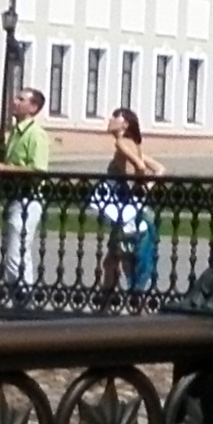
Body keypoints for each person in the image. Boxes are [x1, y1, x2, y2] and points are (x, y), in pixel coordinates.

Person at [89, 106, 161, 299]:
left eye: (115, 117)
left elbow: (140, 166)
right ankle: (114, 301)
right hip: (133, 209)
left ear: (125, 124)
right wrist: (143, 190)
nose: (110, 119)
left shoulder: (122, 143)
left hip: (127, 212)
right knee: (119, 258)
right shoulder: (133, 144)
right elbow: (160, 169)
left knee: (118, 258)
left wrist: (138, 186)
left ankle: (116, 301)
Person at [0, 87, 52, 291]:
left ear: (33, 107)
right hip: (16, 197)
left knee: (16, 250)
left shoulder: (36, 134)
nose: (15, 101)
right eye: (16, 97)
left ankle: (23, 293)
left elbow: (39, 170)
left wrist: (4, 169)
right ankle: (20, 293)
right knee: (16, 249)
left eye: (21, 99)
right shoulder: (16, 131)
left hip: (28, 199)